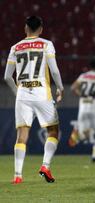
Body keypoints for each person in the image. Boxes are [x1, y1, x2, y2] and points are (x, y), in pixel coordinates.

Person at [4, 16, 64, 184]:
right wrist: (60, 87)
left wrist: (18, 92)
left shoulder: (15, 47)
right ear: (41, 29)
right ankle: (45, 165)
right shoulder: (46, 44)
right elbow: (55, 71)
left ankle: (17, 175)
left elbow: (7, 76)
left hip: (23, 95)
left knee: (21, 135)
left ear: (25, 29)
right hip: (42, 93)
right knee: (53, 131)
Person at [68, 57, 95, 162]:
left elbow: (73, 87)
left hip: (83, 107)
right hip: (94, 107)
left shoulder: (83, 76)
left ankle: (78, 134)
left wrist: (82, 95)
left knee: (86, 134)